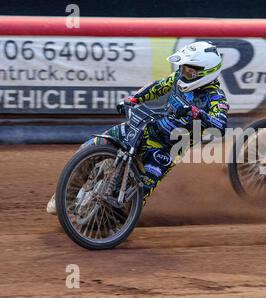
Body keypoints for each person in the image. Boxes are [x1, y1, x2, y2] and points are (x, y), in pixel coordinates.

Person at [47, 41, 229, 214]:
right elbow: (157, 87)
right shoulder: (177, 79)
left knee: (137, 194)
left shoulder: (215, 98)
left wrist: (196, 112)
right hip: (147, 125)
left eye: (189, 70)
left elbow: (220, 126)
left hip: (168, 149)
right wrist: (134, 99)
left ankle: (113, 224)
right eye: (183, 67)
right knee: (91, 146)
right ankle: (67, 196)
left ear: (207, 72)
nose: (183, 73)